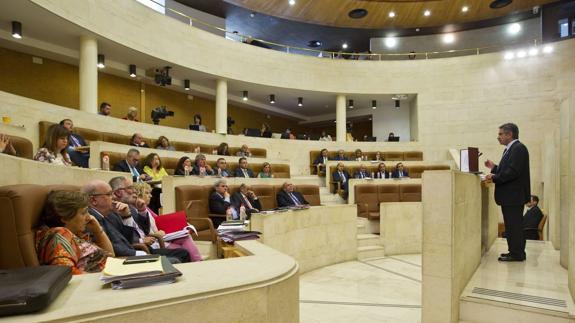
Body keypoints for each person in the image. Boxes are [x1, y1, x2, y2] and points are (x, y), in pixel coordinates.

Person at [108, 177, 190, 263]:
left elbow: (146, 230)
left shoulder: (131, 207)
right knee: (177, 258)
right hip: (138, 249)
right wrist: (141, 240)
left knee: (183, 253)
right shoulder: (112, 212)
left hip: (148, 247)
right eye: (130, 188)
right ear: (118, 192)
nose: (134, 191)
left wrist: (142, 210)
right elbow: (121, 239)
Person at [36, 190, 114, 275]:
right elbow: (67, 273)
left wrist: (98, 231)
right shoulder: (58, 236)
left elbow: (111, 257)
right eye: (83, 212)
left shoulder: (76, 233)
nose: (89, 217)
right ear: (65, 217)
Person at [484, 123, 530, 262]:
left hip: (513, 196)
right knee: (511, 225)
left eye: (500, 134)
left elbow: (512, 173)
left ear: (509, 134)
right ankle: (514, 251)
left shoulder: (518, 148)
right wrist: (494, 168)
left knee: (514, 225)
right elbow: (507, 170)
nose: (498, 137)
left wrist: (493, 177)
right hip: (510, 196)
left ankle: (517, 254)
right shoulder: (510, 150)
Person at [132, 182, 202, 261]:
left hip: (162, 236)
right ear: (139, 195)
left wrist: (183, 225)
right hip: (156, 240)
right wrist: (156, 234)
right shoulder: (135, 211)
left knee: (186, 236)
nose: (151, 196)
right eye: (147, 193)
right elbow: (143, 233)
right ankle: (198, 263)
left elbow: (162, 220)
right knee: (184, 250)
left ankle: (198, 262)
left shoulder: (146, 209)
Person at [84, 179, 147, 257]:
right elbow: (107, 247)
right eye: (109, 194)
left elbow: (128, 241)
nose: (114, 197)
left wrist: (126, 217)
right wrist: (137, 254)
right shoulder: (89, 219)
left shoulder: (109, 215)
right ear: (93, 200)